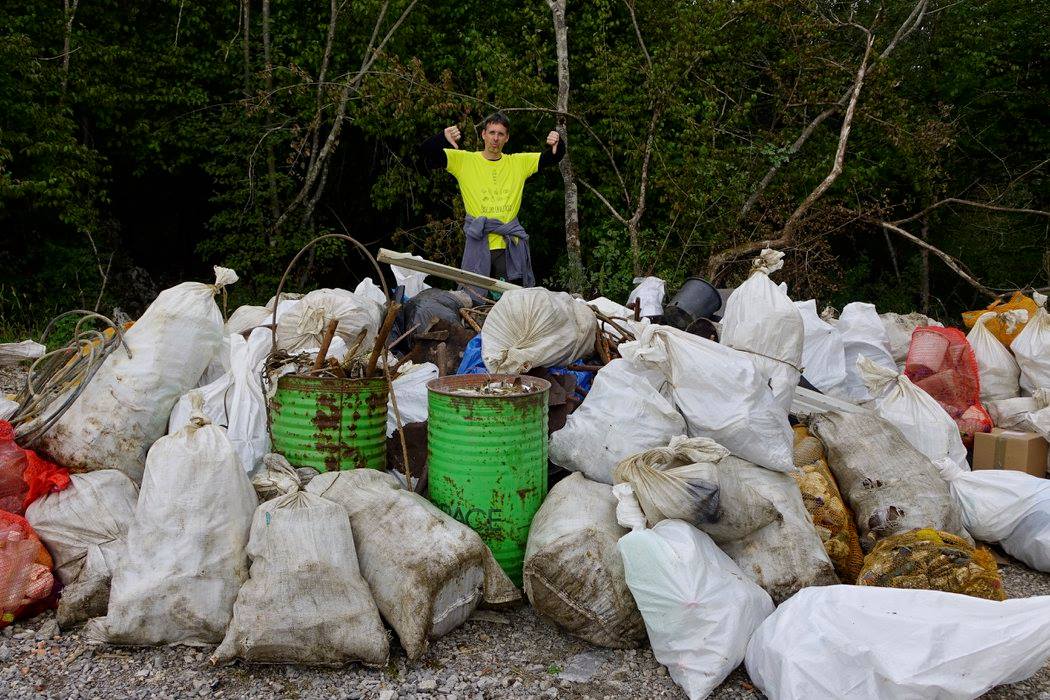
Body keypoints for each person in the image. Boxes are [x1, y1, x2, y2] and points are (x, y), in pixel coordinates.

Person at [420, 112, 564, 293]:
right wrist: (442, 138)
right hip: (479, 247)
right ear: (483, 134)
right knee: (475, 301)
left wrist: (557, 142)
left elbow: (552, 157)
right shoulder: (464, 160)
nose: (495, 138)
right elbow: (425, 152)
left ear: (507, 138)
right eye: (492, 132)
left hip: (509, 249)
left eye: (500, 134)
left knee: (512, 304)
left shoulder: (518, 163)